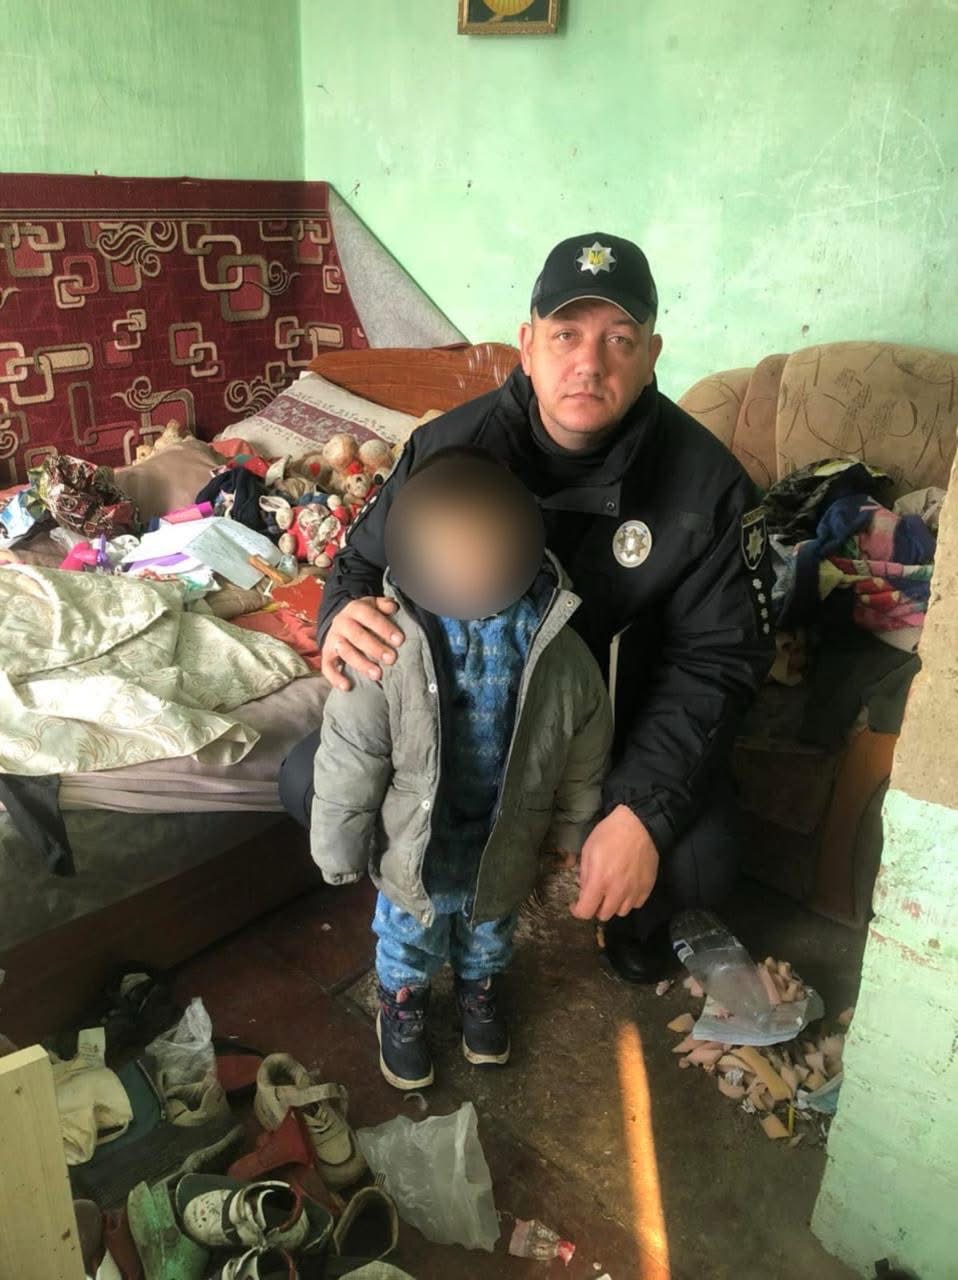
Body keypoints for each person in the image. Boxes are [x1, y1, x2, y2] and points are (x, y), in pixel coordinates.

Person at [280, 231, 775, 984]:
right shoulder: (448, 446)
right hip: (451, 728)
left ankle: (623, 914)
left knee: (699, 861)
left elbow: (718, 664)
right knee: (307, 778)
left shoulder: (710, 489)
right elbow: (362, 560)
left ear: (652, 355)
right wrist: (344, 609)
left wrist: (641, 813)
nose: (590, 362)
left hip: (600, 739)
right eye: (566, 334)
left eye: (620, 340)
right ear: (528, 344)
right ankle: (423, 901)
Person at [305, 448, 612, 1090]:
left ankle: (480, 989)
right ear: (416, 556)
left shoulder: (556, 646)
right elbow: (351, 749)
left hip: (506, 833)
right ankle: (403, 1002)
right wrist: (338, 844)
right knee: (408, 934)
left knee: (491, 926)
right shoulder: (386, 643)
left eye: (487, 554)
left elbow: (585, 744)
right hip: (416, 839)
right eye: (451, 557)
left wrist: (571, 830)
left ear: (521, 548)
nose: (470, 574)